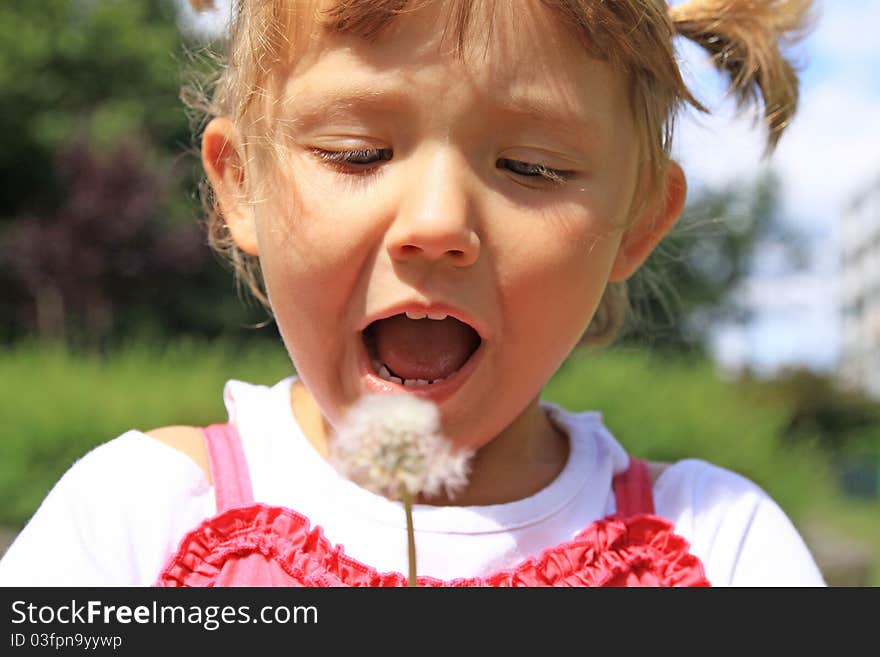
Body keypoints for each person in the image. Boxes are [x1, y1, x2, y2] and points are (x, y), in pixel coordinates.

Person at [0, 0, 825, 587]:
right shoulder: (140, 520)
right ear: (240, 183)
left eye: (531, 167)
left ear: (637, 220)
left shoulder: (719, 547)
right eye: (357, 152)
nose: (436, 223)